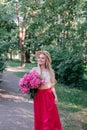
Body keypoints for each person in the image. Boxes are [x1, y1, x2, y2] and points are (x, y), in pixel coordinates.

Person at [32, 50, 62, 130]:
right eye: (39, 58)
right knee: (40, 117)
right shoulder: (34, 70)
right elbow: (30, 84)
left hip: (48, 95)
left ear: (46, 60)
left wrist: (55, 96)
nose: (40, 59)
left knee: (50, 117)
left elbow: (52, 85)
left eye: (42, 58)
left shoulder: (51, 71)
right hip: (39, 96)